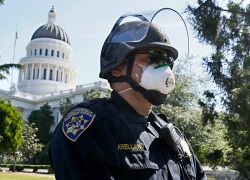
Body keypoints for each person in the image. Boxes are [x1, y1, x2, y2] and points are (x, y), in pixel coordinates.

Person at [49, 13, 206, 180]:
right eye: (152, 58)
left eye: (167, 61)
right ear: (117, 67)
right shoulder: (90, 127)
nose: (164, 69)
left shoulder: (172, 135)